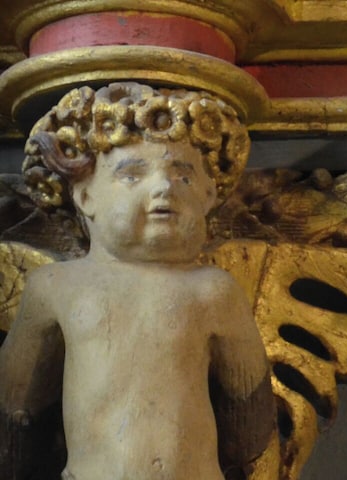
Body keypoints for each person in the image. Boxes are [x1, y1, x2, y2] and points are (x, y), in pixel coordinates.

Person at [0, 83, 274, 480]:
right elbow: (15, 409)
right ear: (86, 196)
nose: (162, 187)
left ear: (209, 194)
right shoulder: (56, 287)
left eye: (182, 176)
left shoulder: (214, 291)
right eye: (132, 176)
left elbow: (249, 424)